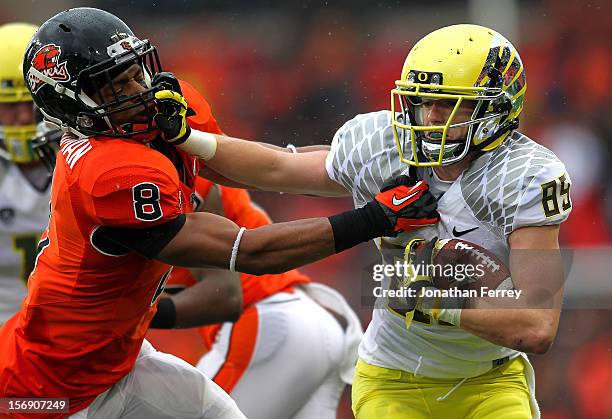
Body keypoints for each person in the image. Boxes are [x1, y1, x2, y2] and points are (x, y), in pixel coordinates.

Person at [0, 7, 436, 419]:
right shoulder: (107, 172)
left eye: (136, 72)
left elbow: (268, 163)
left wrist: (373, 166)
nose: (139, 91)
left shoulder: (163, 116)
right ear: (70, 105)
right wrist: (372, 219)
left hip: (119, 362)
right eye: (116, 87)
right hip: (46, 389)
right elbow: (248, 252)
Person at [165, 24, 572, 418]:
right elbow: (274, 167)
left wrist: (431, 302)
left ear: (496, 107)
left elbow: (536, 325)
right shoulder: (383, 145)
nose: (431, 117)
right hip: (392, 377)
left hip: (491, 382)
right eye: (423, 101)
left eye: (448, 103)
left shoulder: (523, 176)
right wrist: (188, 138)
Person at [147, 175, 363, 419]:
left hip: (269, 323)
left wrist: (133, 316)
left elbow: (225, 297)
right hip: (309, 321)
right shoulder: (174, 175)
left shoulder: (162, 183)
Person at [0, 22, 60, 325]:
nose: (24, 117)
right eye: (9, 106)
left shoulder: (82, 159)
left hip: (68, 336)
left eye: (31, 102)